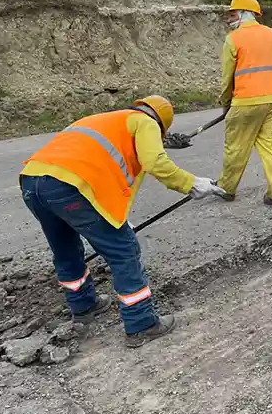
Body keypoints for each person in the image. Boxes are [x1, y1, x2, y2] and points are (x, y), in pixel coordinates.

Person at [20, 96, 225, 348]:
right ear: (162, 125)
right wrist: (191, 183)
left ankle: (83, 307)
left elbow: (99, 171)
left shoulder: (99, 120)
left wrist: (117, 218)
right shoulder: (145, 122)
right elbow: (154, 162)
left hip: (32, 181)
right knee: (123, 250)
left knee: (65, 247)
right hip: (70, 187)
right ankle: (141, 323)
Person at [218, 0, 272, 206]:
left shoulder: (233, 39)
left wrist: (226, 103)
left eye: (233, 14)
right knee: (271, 147)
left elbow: (227, 78)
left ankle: (227, 188)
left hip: (245, 101)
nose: (229, 19)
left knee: (236, 147)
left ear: (245, 14)